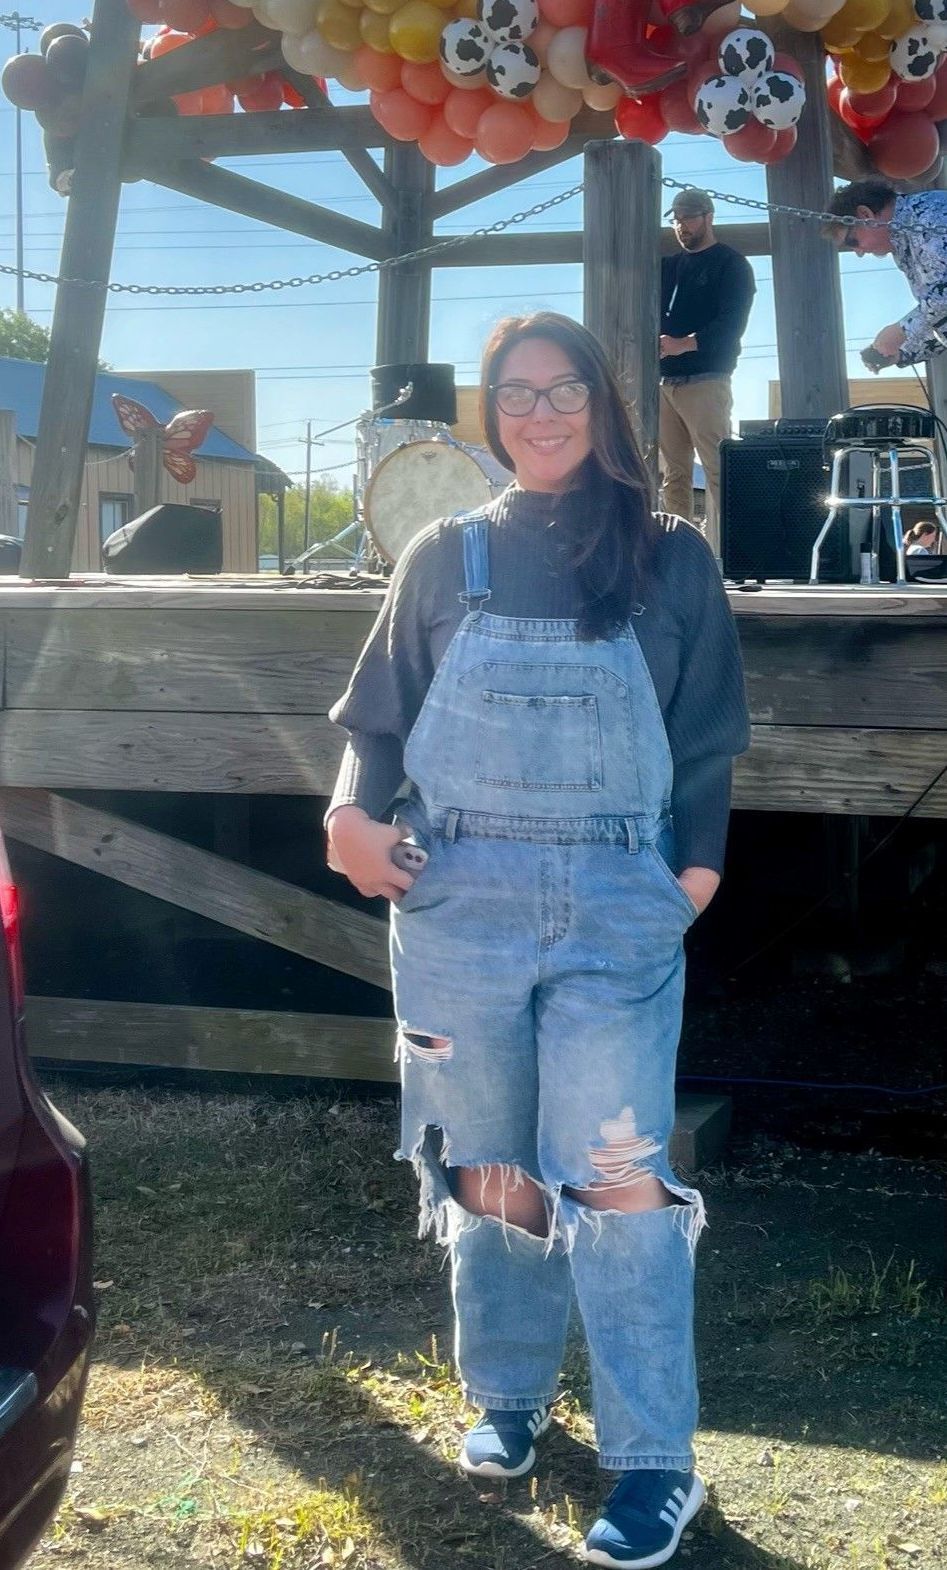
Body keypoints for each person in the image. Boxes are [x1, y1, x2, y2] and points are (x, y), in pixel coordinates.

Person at [326, 312, 749, 1570]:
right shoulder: (440, 558)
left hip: (620, 904)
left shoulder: (671, 559)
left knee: (616, 1174)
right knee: (490, 1166)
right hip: (459, 908)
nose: (539, 413)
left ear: (602, 403)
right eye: (513, 395)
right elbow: (375, 723)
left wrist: (689, 880)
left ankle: (650, 1460)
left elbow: (709, 741)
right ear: (488, 413)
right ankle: (506, 1398)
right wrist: (346, 814)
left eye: (562, 389)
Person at [659, 187, 756, 556]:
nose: (681, 225)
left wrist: (685, 343)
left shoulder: (731, 264)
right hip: (664, 382)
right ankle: (676, 555)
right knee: (674, 476)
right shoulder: (668, 266)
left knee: (718, 471)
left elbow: (732, 324)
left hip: (706, 381)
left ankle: (728, 556)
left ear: (709, 217)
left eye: (688, 217)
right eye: (676, 219)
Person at [824, 180, 947, 371]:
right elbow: (939, 317)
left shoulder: (933, 213)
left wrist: (901, 331)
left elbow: (943, 297)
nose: (859, 252)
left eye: (852, 241)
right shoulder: (904, 246)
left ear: (865, 215)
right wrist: (901, 353)